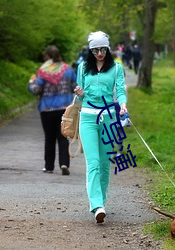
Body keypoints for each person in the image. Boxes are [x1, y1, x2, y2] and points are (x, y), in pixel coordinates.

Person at [74, 31, 127, 223]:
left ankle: (102, 201)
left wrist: (122, 104)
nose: (99, 53)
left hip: (109, 119)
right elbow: (80, 97)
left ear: (108, 48)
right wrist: (79, 92)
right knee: (93, 162)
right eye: (95, 50)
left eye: (103, 49)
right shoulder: (82, 68)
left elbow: (120, 90)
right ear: (90, 50)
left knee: (105, 164)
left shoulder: (116, 68)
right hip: (87, 118)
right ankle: (96, 205)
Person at [28, 45, 77, 175]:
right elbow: (75, 87)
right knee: (63, 137)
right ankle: (64, 163)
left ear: (47, 57)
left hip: (47, 109)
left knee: (49, 138)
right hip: (64, 109)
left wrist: (31, 83)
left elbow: (36, 90)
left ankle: (49, 166)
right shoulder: (68, 70)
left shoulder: (43, 71)